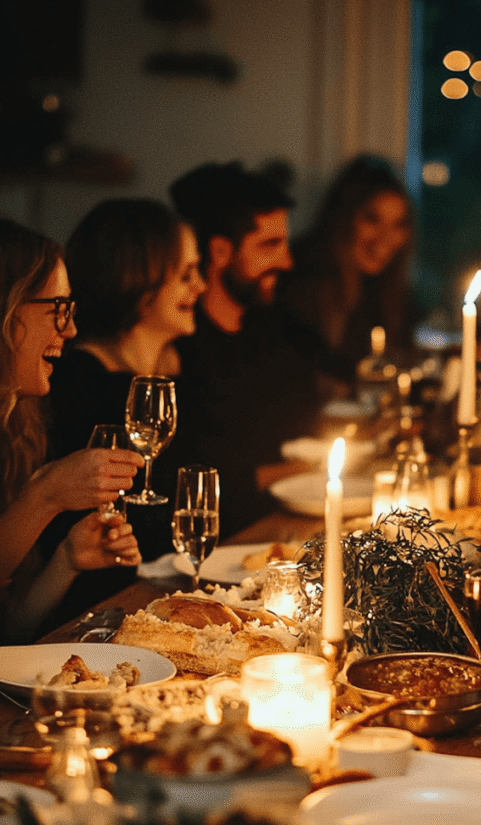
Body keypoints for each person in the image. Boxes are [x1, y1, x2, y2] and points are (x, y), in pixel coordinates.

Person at [45, 199, 205, 599]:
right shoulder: (79, 382)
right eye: (186, 274)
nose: (201, 286)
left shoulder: (179, 372)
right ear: (139, 281)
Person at [0, 218, 142, 641]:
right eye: (58, 309)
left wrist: (67, 560)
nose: (71, 329)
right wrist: (45, 496)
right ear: (8, 310)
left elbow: (10, 634)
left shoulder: (18, 429)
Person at [170, 160, 322, 538]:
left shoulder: (271, 329)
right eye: (270, 245)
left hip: (284, 526)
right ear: (220, 251)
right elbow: (187, 480)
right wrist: (297, 471)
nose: (286, 261)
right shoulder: (180, 351)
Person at [278, 154, 417, 388]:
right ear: (343, 217)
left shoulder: (387, 291)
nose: (384, 239)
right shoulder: (299, 279)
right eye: (372, 219)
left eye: (398, 225)